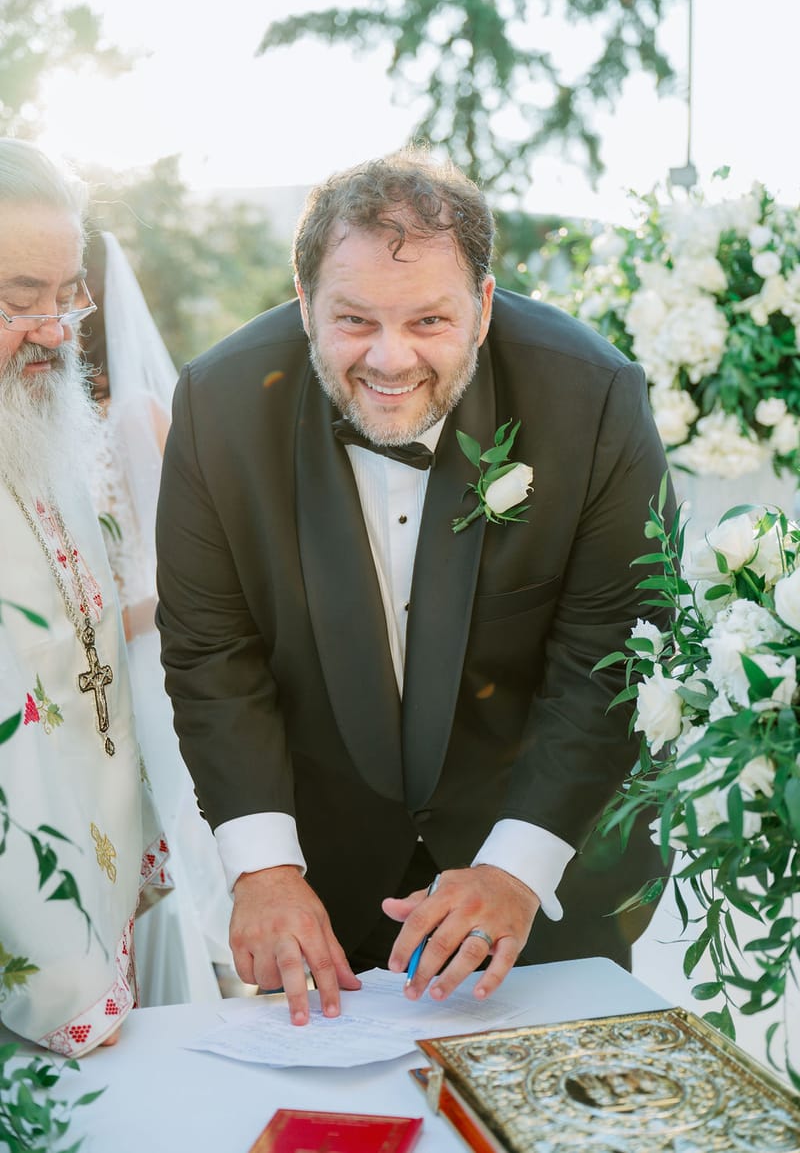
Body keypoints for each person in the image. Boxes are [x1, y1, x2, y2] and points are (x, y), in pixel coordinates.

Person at [155, 149, 675, 1028]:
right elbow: (214, 653)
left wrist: (515, 866)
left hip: (543, 877)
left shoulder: (592, 397)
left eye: (429, 320)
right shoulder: (219, 404)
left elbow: (609, 654)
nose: (390, 360)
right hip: (317, 896)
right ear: (303, 298)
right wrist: (265, 867)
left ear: (483, 305)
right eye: (353, 319)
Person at [0, 138, 169, 1054]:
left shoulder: (36, 427)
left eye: (67, 297)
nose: (58, 331)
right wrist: (59, 978)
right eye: (20, 303)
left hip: (96, 901)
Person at [80, 230, 233, 1005]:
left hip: (135, 660)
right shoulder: (40, 416)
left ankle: (171, 997)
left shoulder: (139, 415)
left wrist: (99, 620)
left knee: (155, 832)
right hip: (70, 672)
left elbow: (187, 575)